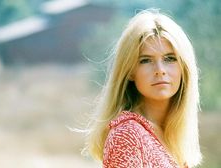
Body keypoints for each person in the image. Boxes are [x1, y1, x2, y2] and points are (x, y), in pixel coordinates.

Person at [84, 9, 202, 168]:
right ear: (130, 71)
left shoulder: (173, 137)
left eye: (170, 58)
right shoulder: (126, 135)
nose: (160, 69)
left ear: (184, 68)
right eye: (146, 60)